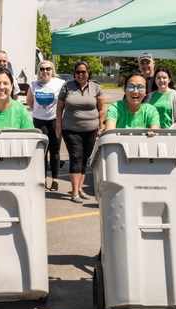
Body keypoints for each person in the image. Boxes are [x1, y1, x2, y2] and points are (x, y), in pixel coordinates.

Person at [55, 60, 105, 204]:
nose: (81, 74)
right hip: (71, 129)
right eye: (78, 72)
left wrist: (100, 124)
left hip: (91, 129)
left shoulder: (96, 87)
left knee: (84, 159)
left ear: (88, 73)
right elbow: (59, 108)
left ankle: (80, 188)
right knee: (76, 157)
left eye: (84, 71)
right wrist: (58, 126)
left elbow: (102, 108)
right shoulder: (67, 87)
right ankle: (74, 192)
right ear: (74, 74)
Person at [26, 60, 65, 191]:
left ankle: (55, 180)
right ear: (39, 71)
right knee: (41, 151)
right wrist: (38, 111)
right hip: (39, 121)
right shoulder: (34, 85)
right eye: (42, 69)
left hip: (54, 120)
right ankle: (42, 179)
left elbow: (63, 103)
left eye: (48, 68)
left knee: (55, 151)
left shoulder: (60, 84)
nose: (45, 71)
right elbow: (29, 101)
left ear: (52, 70)